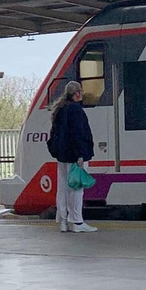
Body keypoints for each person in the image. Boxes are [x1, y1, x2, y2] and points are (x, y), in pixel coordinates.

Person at [47, 81, 97, 233]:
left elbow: (54, 134)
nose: (82, 94)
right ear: (76, 93)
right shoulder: (76, 110)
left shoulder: (60, 109)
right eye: (80, 91)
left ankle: (63, 222)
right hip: (75, 157)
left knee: (62, 188)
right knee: (76, 188)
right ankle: (77, 221)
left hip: (62, 156)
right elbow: (78, 134)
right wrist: (80, 155)